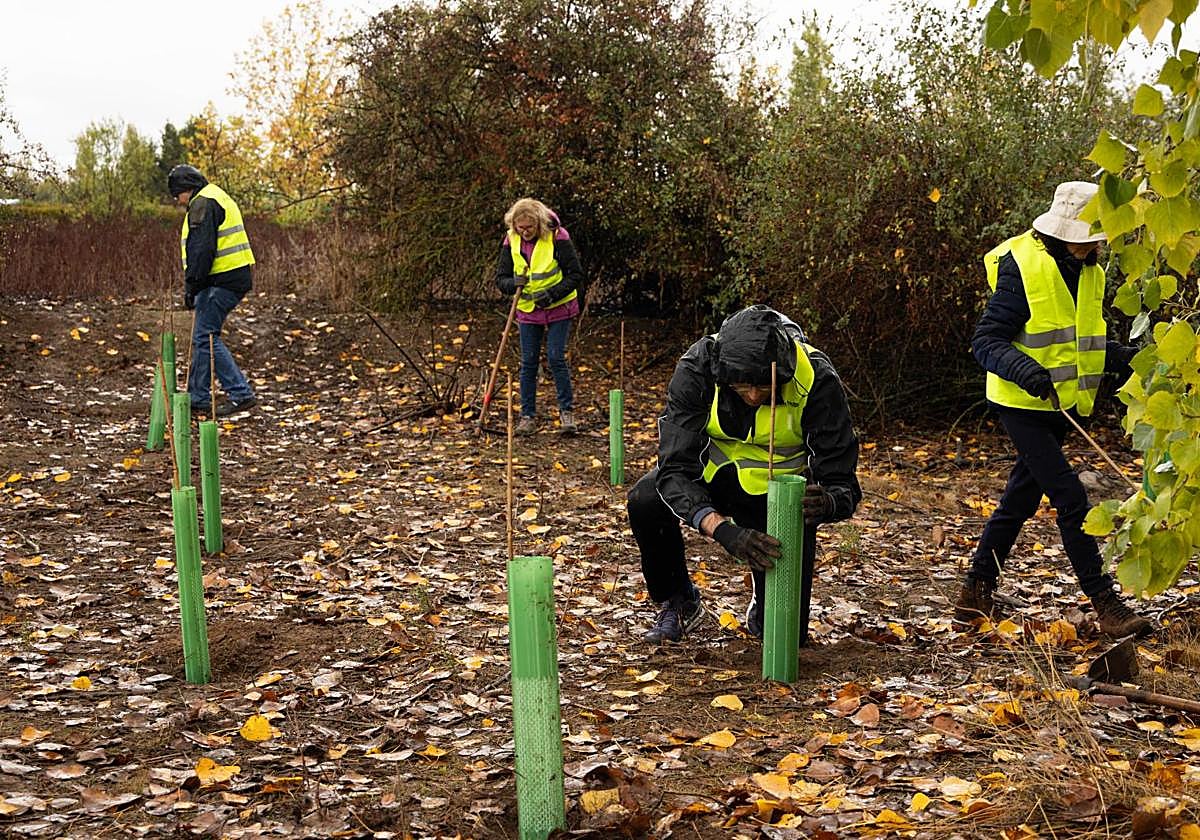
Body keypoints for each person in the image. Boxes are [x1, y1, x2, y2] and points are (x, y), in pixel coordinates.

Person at [957, 180, 1152, 637]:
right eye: (1085, 237)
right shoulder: (1021, 267)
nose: (1092, 246)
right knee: (1071, 496)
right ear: (1061, 232)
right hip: (1022, 402)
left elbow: (1085, 342)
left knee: (1019, 499)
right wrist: (1027, 372)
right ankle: (1105, 602)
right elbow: (986, 341)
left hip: (1063, 405)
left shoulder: (1092, 271)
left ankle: (975, 590)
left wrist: (1130, 362)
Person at [627, 305, 861, 644]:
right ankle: (679, 601)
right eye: (742, 385)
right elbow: (673, 470)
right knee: (645, 498)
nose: (753, 396)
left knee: (785, 639)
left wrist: (827, 503)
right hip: (712, 478)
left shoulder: (817, 380)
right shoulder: (698, 369)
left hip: (780, 500)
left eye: (764, 386)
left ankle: (763, 606)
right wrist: (722, 531)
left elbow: (843, 484)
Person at [167, 164, 258, 418]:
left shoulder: (202, 202)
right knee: (203, 336)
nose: (178, 201)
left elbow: (201, 250)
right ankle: (197, 396)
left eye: (178, 195)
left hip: (223, 280)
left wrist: (192, 285)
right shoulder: (216, 195)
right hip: (229, 277)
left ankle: (241, 394)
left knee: (207, 336)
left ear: (187, 189)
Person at [494, 198, 585, 435]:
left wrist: (552, 295)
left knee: (556, 357)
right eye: (520, 228)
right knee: (528, 362)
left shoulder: (557, 236)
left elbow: (575, 274)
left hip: (559, 307)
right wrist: (513, 283)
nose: (524, 232)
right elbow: (500, 279)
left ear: (539, 224)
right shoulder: (510, 239)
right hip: (527, 310)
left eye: (529, 228)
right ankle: (527, 417)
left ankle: (566, 414)